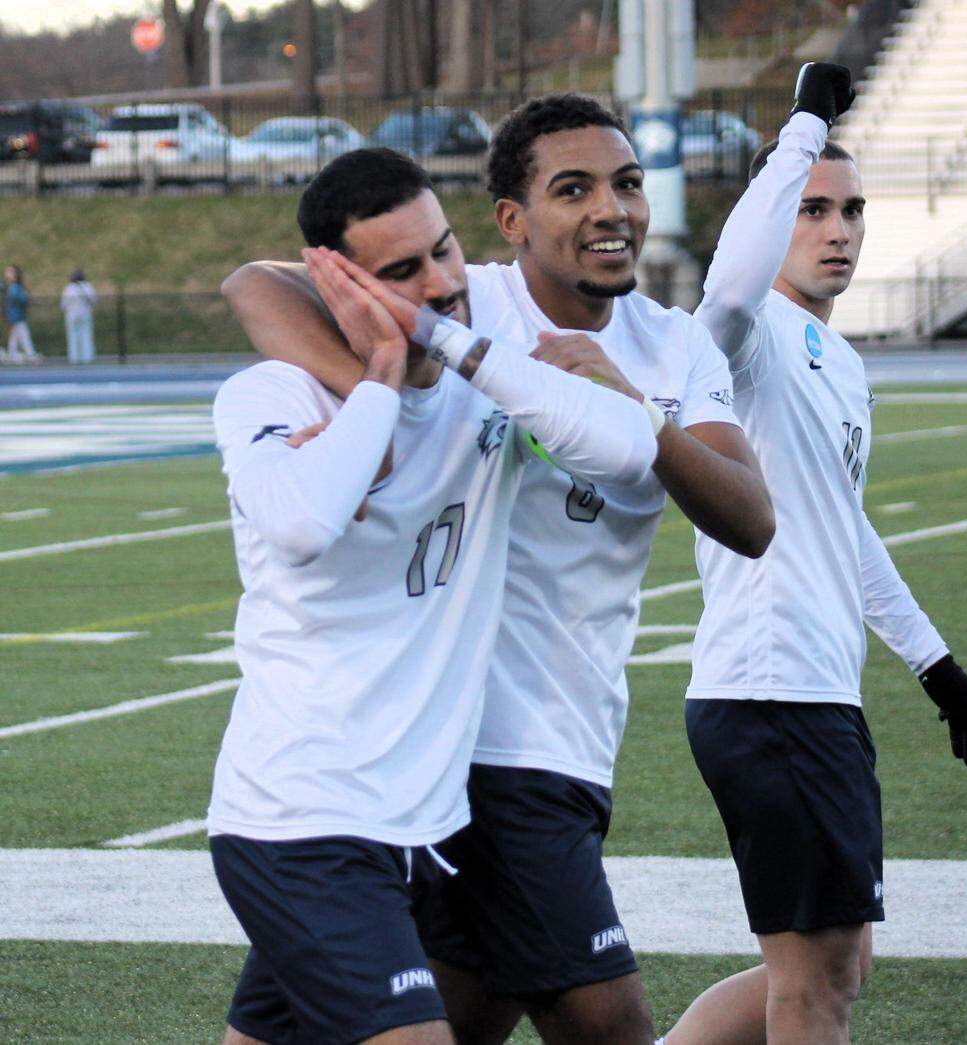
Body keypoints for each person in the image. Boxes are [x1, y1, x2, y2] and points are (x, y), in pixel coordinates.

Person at [222, 95, 774, 1045]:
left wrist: (632, 403)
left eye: (629, 184)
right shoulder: (465, 301)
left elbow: (749, 516)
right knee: (606, 1019)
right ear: (512, 221)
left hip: (525, 743)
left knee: (422, 1016)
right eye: (574, 189)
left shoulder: (671, 344)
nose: (612, 209)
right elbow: (256, 282)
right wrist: (377, 403)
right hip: (488, 755)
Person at [664, 64, 967, 1045]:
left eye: (853, 210)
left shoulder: (838, 359)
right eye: (814, 208)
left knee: (836, 964)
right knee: (814, 982)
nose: (839, 228)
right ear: (777, 215)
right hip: (770, 695)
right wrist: (803, 127)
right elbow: (727, 287)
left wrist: (934, 663)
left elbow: (843, 527)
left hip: (816, 692)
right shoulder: (748, 336)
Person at [61, 269, 98, 364]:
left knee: (73, 336)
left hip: (72, 315)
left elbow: (63, 304)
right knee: (86, 335)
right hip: (86, 314)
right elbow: (94, 301)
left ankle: (74, 357)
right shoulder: (88, 287)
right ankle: (87, 357)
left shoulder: (69, 288)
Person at [4, 265, 38, 362]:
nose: (7, 274)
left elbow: (23, 300)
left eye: (10, 272)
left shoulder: (15, 288)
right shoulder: (13, 287)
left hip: (17, 316)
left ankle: (15, 354)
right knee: (21, 335)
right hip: (15, 317)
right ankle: (27, 354)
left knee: (19, 335)